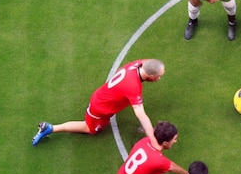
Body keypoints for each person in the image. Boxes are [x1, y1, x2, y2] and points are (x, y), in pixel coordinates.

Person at [31, 59, 165, 146]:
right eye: (158, 76)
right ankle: (50, 128)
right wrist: (153, 138)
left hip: (101, 98)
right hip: (100, 109)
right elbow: (140, 114)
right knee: (90, 129)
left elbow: (149, 62)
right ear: (150, 76)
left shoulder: (137, 65)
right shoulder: (133, 86)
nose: (159, 79)